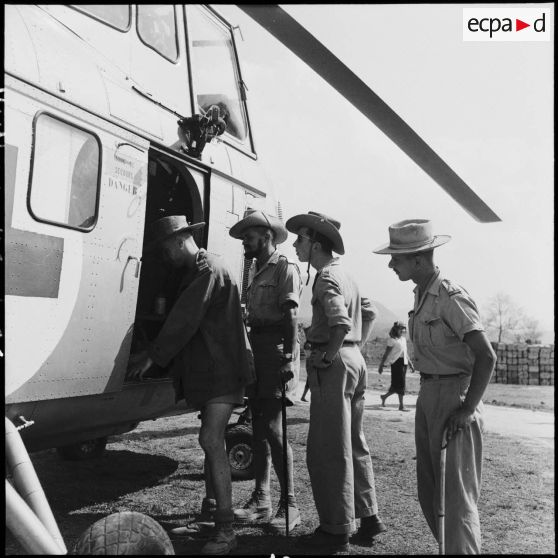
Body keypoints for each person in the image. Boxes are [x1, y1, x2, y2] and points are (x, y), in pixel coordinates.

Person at [129, 215, 255, 556]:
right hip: (215, 370)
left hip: (222, 371)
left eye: (165, 249)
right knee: (210, 441)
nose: (166, 257)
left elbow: (184, 319)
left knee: (210, 439)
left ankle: (226, 531)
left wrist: (152, 356)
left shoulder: (206, 269)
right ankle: (211, 516)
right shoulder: (203, 268)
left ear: (178, 241)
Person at [373, 219, 496, 554]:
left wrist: (468, 408)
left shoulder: (449, 298)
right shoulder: (422, 295)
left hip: (455, 398)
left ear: (417, 258)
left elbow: (486, 356)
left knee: (456, 501)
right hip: (429, 395)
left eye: (396, 257)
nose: (390, 264)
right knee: (431, 494)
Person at [286, 211, 386, 552]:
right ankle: (368, 517)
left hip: (336, 363)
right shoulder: (346, 274)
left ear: (315, 243)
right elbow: (367, 313)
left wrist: (330, 353)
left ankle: (336, 530)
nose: (296, 245)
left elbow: (340, 322)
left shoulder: (325, 277)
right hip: (354, 360)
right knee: (354, 444)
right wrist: (353, 346)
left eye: (300, 239)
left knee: (329, 448)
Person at [228, 209, 302, 533]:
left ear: (267, 236)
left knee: (273, 429)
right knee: (257, 427)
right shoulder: (255, 269)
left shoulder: (284, 268)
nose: (245, 241)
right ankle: (261, 499)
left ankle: (291, 504)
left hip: (274, 352)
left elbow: (291, 317)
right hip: (256, 351)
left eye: (249, 236)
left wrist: (287, 357)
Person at [378, 321, 415, 411]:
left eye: (404, 328)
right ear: (397, 329)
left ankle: (384, 397)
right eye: (402, 328)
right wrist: (381, 365)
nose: (404, 330)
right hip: (396, 363)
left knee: (398, 384)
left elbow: (405, 353)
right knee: (401, 384)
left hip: (404, 363)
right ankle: (401, 406)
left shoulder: (403, 339)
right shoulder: (392, 340)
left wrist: (411, 364)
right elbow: (386, 354)